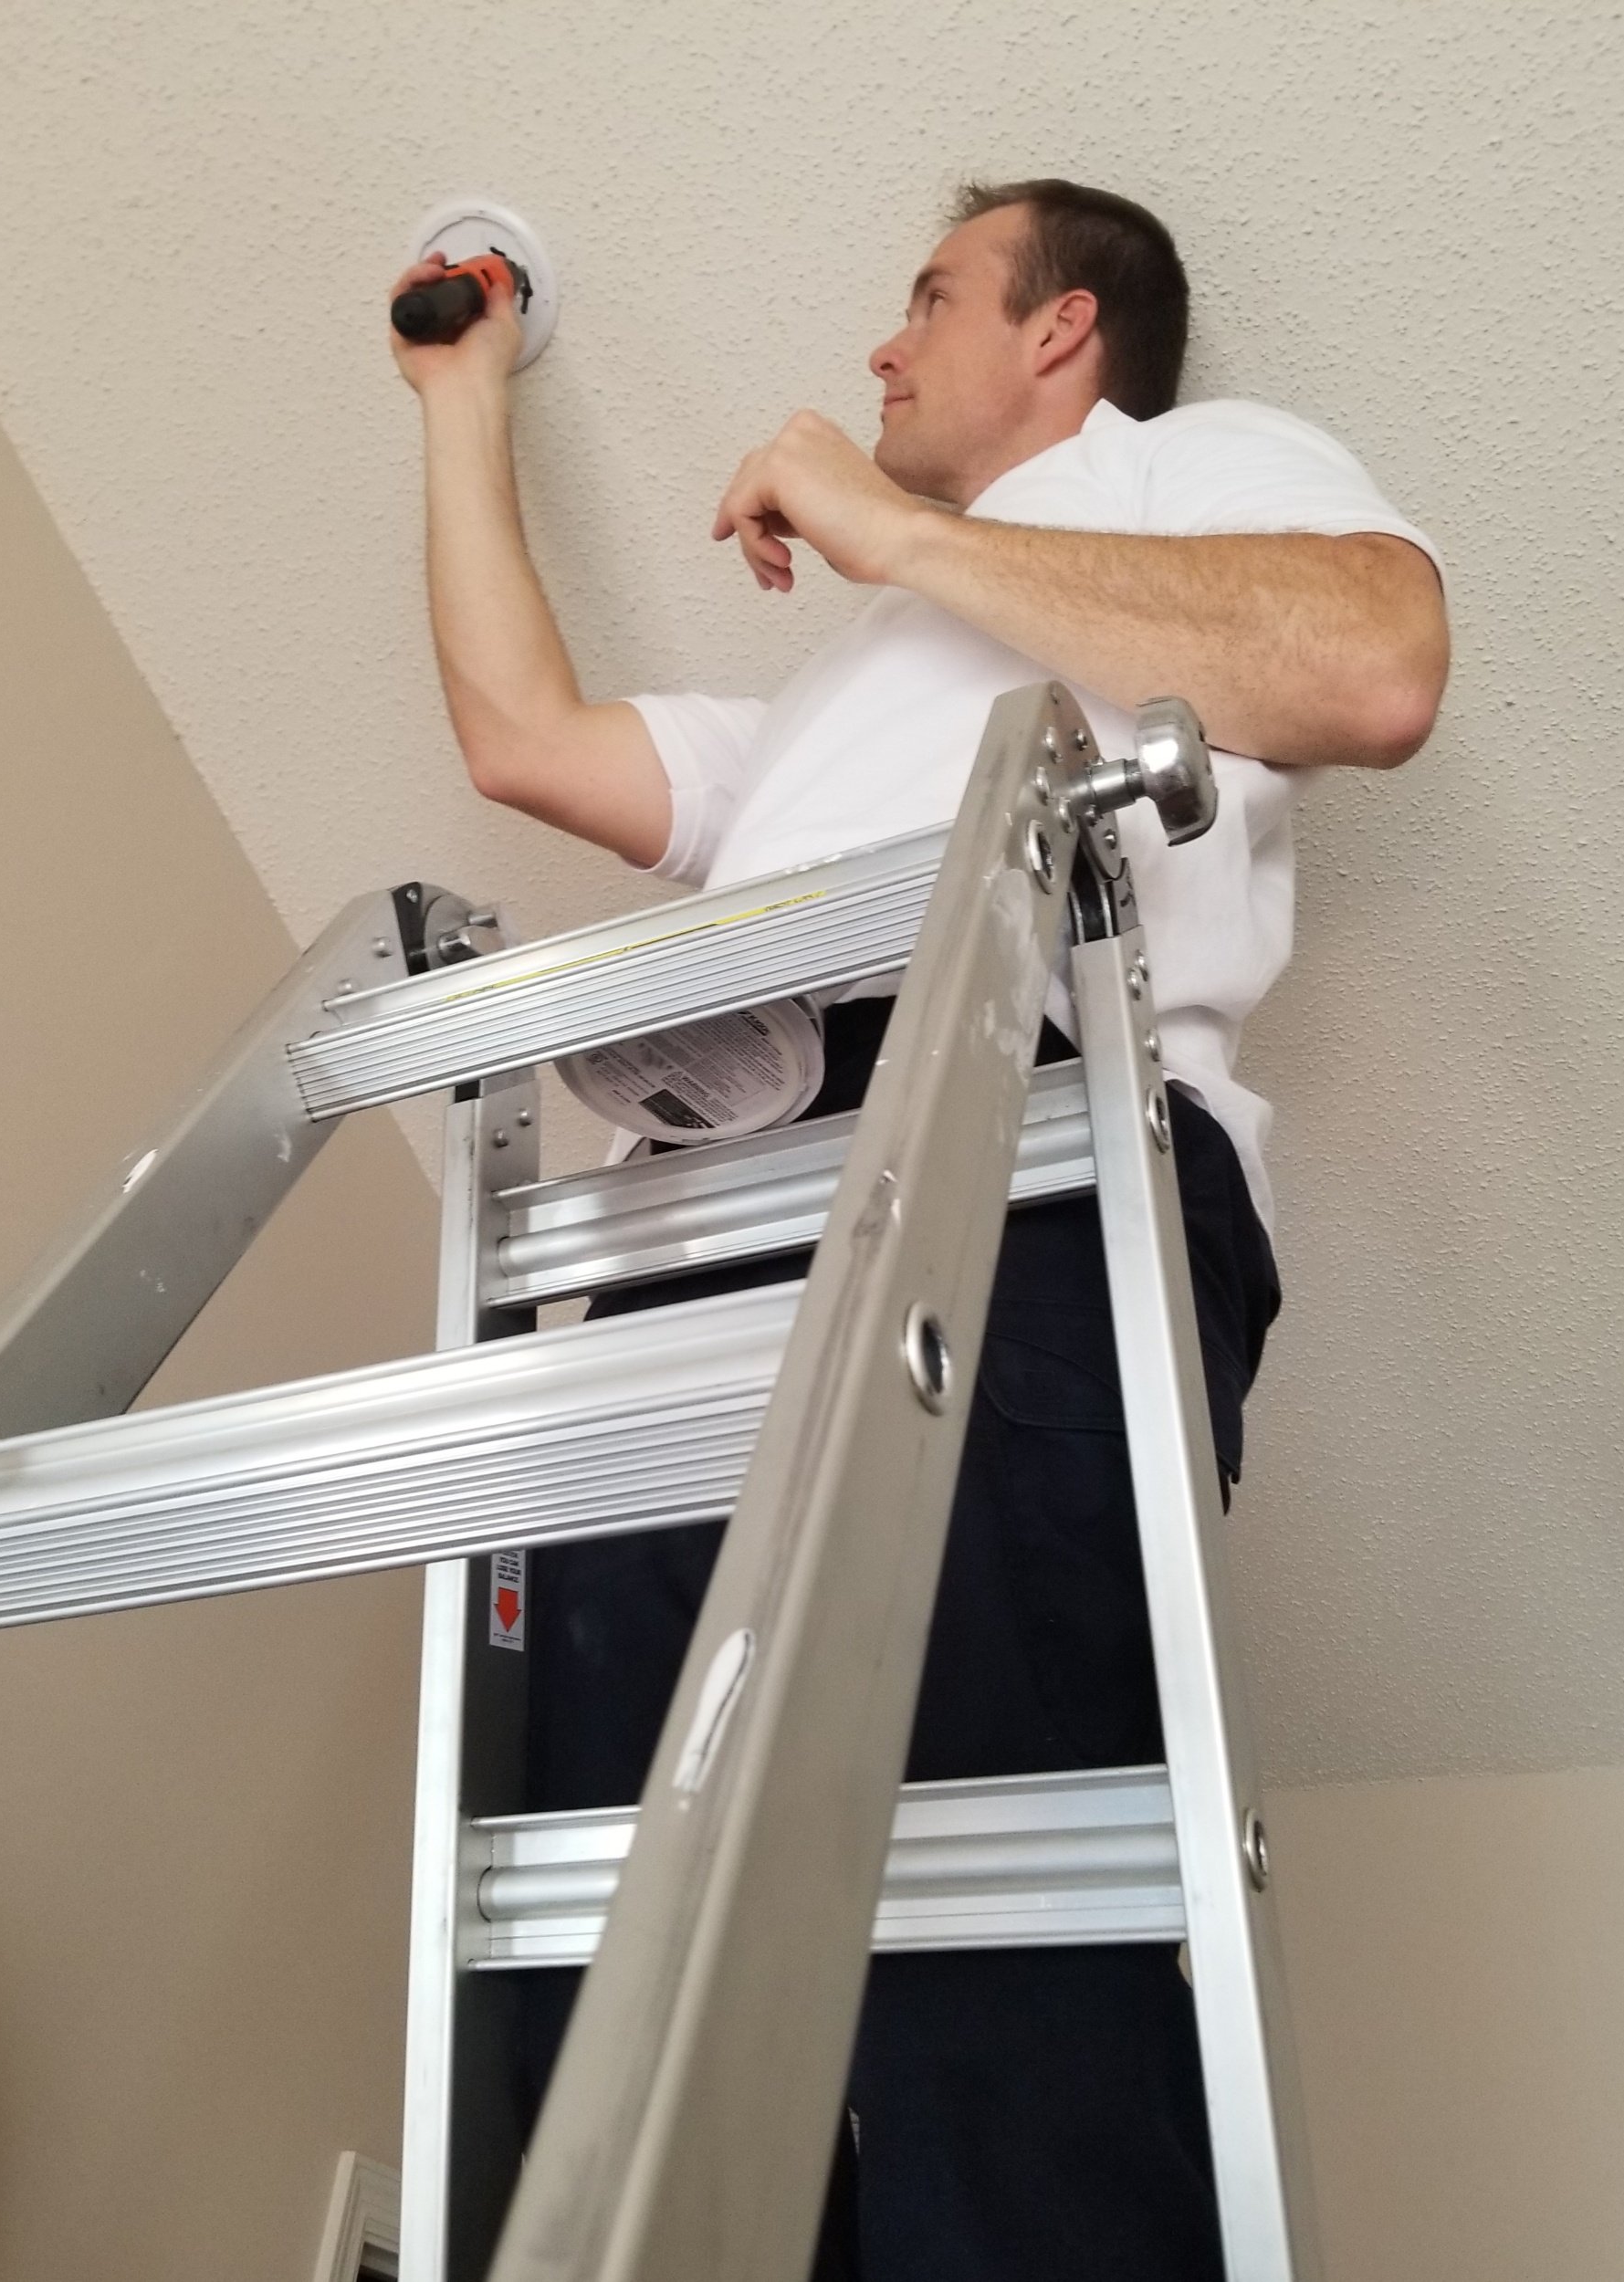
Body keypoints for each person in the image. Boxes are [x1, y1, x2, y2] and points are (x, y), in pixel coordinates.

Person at [392, 179, 1448, 2282]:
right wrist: (458, 384)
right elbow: (525, 733)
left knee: (993, 1966)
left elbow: (1375, 660)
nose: (880, 351)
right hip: (717, 1195)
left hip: (1032, 1140)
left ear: (1065, 335)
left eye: (931, 297)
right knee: (613, 1965)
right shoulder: (820, 726)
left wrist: (889, 529)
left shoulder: (1184, 478)